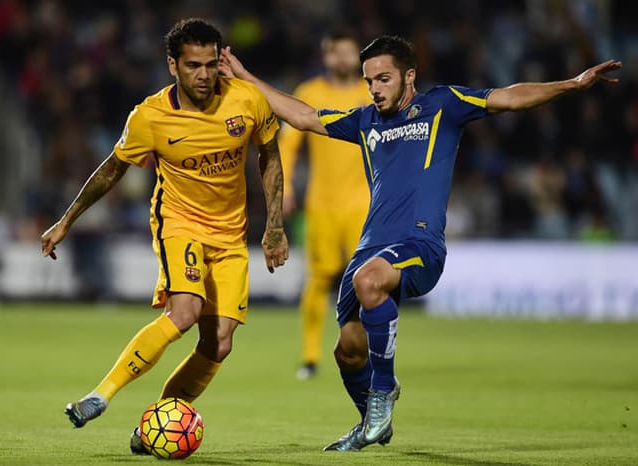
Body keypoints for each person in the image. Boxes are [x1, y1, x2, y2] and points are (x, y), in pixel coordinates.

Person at [219, 36, 621, 451]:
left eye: (384, 79)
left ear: (409, 76)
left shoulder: (442, 105)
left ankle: (383, 393)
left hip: (420, 244)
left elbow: (510, 98)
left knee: (370, 282)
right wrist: (246, 78)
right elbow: (303, 116)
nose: (374, 88)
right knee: (348, 351)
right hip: (369, 249)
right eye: (369, 80)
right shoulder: (364, 122)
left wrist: (571, 84)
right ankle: (371, 422)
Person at [40, 18, 288, 453]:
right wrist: (66, 221)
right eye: (193, 65)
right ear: (172, 65)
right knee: (185, 312)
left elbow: (269, 154)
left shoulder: (248, 101)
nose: (204, 75)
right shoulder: (150, 116)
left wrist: (275, 225)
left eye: (211, 64)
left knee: (219, 344)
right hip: (180, 223)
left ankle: (155, 425)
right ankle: (102, 394)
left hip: (231, 234)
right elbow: (111, 171)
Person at [278, 31, 370, 380]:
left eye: (350, 54)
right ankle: (311, 357)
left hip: (366, 204)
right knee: (317, 279)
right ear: (326, 56)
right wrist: (284, 185)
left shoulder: (371, 92)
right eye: (338, 54)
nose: (344, 60)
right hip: (322, 205)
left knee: (369, 281)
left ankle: (371, 351)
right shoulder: (310, 93)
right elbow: (288, 144)